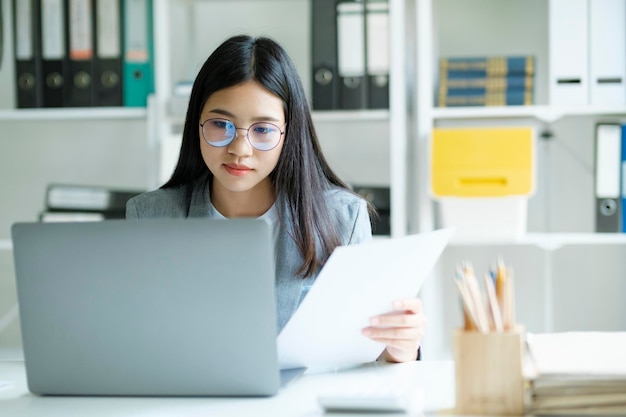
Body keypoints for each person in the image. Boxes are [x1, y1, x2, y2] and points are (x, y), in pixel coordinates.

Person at [126, 35, 425, 363]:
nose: (240, 149)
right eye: (220, 124)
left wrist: (400, 349)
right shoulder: (150, 216)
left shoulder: (343, 220)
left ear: (289, 132)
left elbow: (367, 362)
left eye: (263, 130)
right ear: (196, 124)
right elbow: (138, 348)